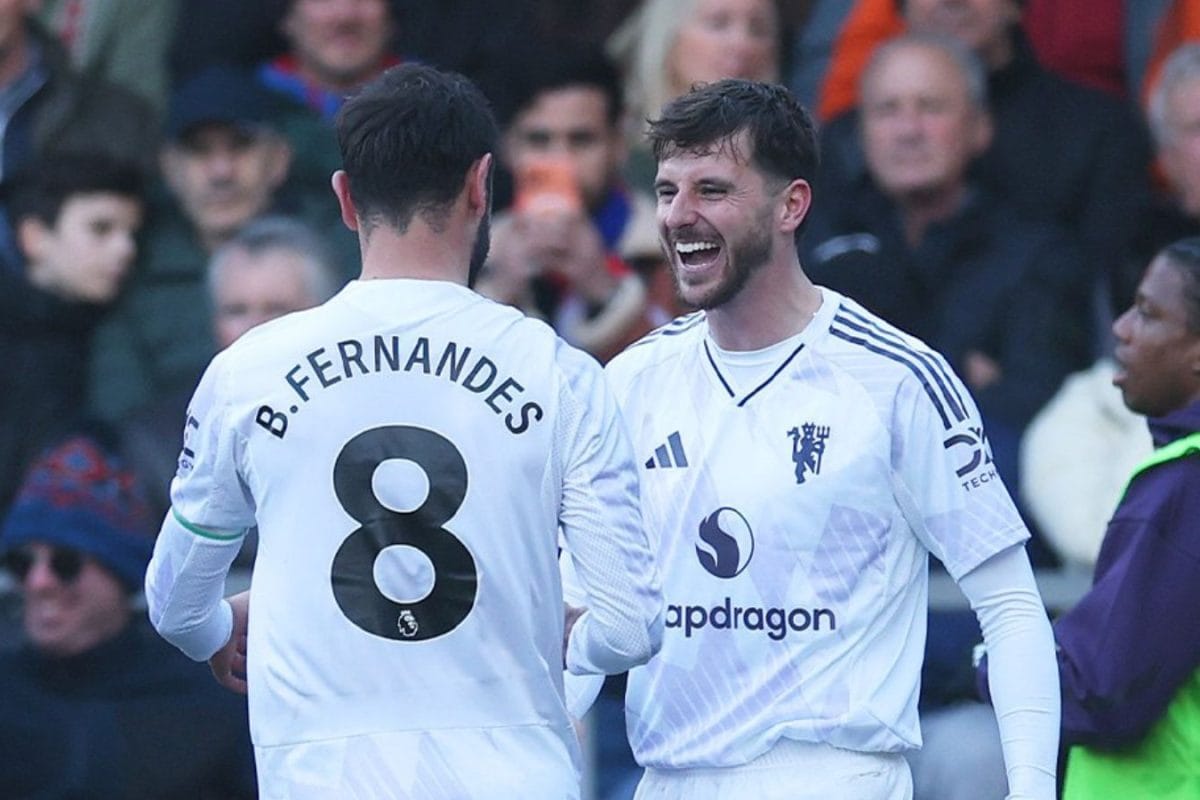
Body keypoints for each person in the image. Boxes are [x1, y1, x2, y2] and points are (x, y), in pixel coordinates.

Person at [145, 62, 663, 799]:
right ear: (484, 186)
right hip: (513, 773)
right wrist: (571, 632)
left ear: (345, 198)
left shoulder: (249, 371)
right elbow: (633, 626)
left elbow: (173, 603)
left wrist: (215, 634)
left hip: (324, 775)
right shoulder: (559, 373)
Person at [564, 77, 1060, 799]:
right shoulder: (631, 381)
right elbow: (577, 610)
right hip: (668, 777)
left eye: (712, 189)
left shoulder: (895, 377)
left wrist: (1033, 787)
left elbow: (1010, 605)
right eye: (668, 191)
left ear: (791, 204)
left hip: (830, 776)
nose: (680, 215)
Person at [804, 33, 1089, 565]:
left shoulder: (1037, 252)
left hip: (982, 550)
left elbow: (1033, 406)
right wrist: (962, 367)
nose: (908, 129)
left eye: (930, 107)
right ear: (861, 132)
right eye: (887, 110)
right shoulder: (817, 244)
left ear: (980, 128)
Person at [981, 237, 1200, 799]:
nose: (1121, 330)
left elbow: (1101, 691)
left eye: (1149, 315)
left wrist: (994, 661)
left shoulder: (1181, 488)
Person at [815, 0, 1152, 352]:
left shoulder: (1097, 132)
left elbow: (1100, 302)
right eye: (888, 109)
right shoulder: (842, 143)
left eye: (931, 107)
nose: (951, 2)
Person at [86, 64, 355, 424]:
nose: (221, 172)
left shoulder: (346, 246)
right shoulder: (132, 262)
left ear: (279, 160)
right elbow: (120, 414)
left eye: (240, 147)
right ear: (168, 168)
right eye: (199, 151)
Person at [0, 433, 256, 799]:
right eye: (21, 563)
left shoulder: (210, 696)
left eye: (65, 563)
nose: (40, 582)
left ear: (120, 573)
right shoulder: (7, 692)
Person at [119, 215, 343, 524]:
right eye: (236, 311)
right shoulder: (156, 442)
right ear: (214, 324)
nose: (254, 329)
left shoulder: (369, 423)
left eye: (278, 310)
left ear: (327, 317)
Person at [479, 39, 665, 362]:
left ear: (618, 143)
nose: (560, 160)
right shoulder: (471, 257)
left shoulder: (670, 251)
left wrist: (605, 293)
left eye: (581, 140)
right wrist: (496, 294)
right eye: (539, 140)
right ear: (508, 147)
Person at [0, 152, 143, 521]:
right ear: (34, 237)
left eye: (131, 233)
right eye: (100, 229)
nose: (125, 249)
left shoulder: (113, 331)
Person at [606, 0, 785, 194]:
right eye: (719, 23)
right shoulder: (612, 155)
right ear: (668, 36)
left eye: (758, 29)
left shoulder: (787, 164)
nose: (742, 43)